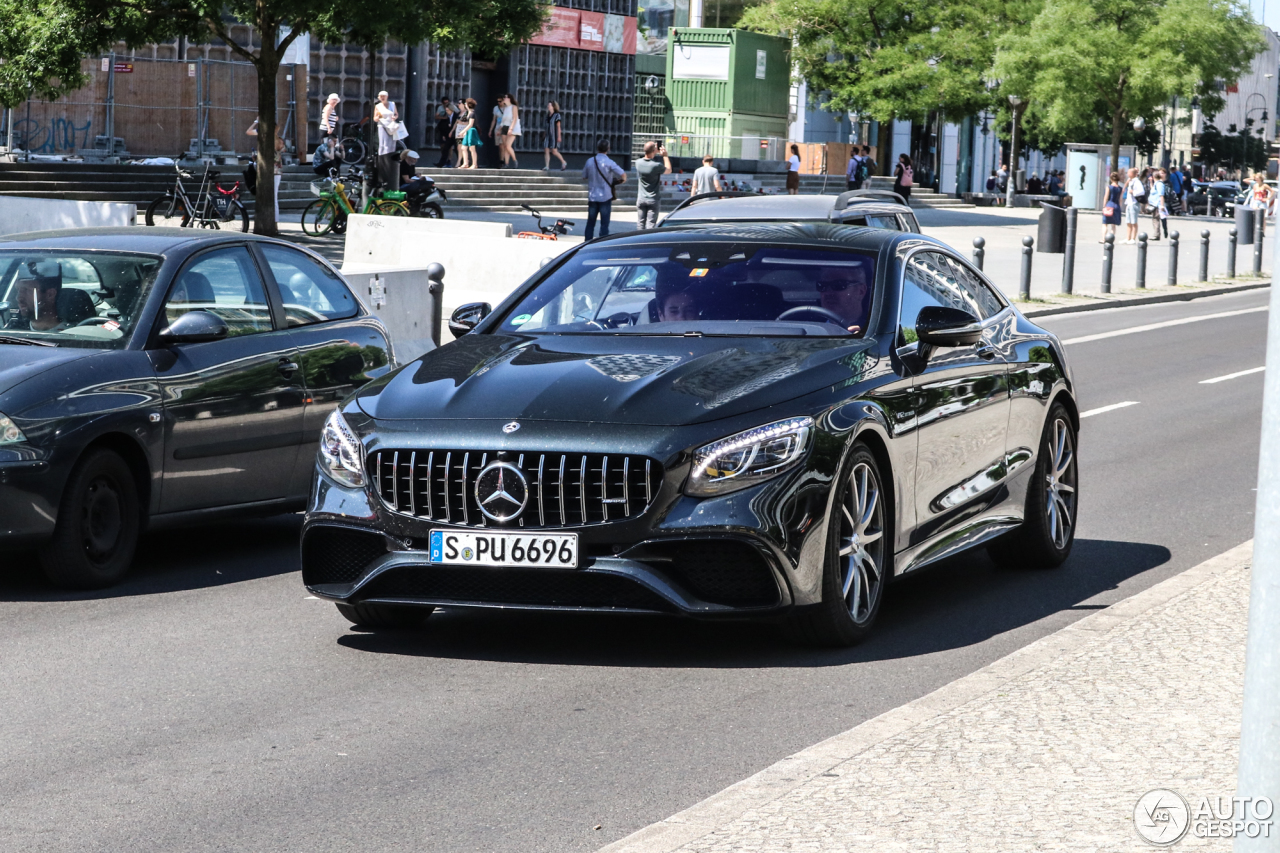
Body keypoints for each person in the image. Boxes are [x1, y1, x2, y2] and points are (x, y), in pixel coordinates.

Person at [582, 138, 625, 240]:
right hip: (605, 197)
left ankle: (587, 243)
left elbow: (584, 176)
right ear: (608, 149)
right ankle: (602, 243)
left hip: (593, 196)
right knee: (604, 224)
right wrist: (618, 181)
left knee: (590, 223)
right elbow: (623, 175)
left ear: (597, 148)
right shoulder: (610, 162)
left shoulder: (589, 161)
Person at [6, 262, 65, 331]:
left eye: (26, 290)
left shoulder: (74, 333)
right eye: (18, 290)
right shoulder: (11, 332)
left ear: (50, 294)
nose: (19, 298)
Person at [245, 119, 285, 221]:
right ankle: (271, 220)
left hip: (272, 171)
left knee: (273, 197)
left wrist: (256, 121)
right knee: (270, 196)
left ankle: (274, 221)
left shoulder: (275, 140)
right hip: (270, 171)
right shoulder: (274, 138)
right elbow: (249, 132)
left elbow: (275, 152)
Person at [816, 263, 870, 334]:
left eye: (839, 285)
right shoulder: (809, 327)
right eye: (822, 286)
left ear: (861, 291)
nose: (828, 293)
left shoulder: (874, 329)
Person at [635, 141, 673, 230]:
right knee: (651, 225)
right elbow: (669, 170)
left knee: (640, 223)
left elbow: (648, 156)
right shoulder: (656, 165)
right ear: (654, 150)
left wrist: (654, 150)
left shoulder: (638, 163)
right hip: (653, 198)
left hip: (641, 198)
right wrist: (665, 156)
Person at [373, 90, 401, 189]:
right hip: (382, 126)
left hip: (391, 126)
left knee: (391, 144)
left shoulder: (392, 104)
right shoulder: (378, 106)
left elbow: (396, 114)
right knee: (383, 144)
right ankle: (382, 160)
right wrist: (378, 117)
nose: (382, 98)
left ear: (387, 96)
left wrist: (394, 117)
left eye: (384, 96)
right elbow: (375, 119)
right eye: (380, 96)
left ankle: (390, 158)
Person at [433, 97, 458, 168]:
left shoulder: (456, 116)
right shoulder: (447, 117)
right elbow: (445, 127)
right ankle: (441, 163)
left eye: (448, 110)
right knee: (445, 148)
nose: (446, 112)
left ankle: (463, 162)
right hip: (449, 135)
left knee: (457, 149)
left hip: (455, 135)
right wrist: (444, 135)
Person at [543, 102, 567, 171]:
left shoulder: (557, 115)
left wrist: (559, 136)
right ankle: (547, 166)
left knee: (554, 151)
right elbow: (546, 126)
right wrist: (544, 134)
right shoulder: (548, 116)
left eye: (549, 105)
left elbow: (558, 126)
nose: (548, 106)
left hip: (554, 135)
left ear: (553, 106)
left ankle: (563, 162)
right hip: (548, 135)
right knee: (546, 150)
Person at [458, 98, 481, 169]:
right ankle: (465, 163)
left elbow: (470, 124)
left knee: (472, 148)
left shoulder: (472, 113)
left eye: (466, 103)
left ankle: (474, 164)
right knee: (463, 147)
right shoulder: (469, 113)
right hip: (468, 131)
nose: (465, 104)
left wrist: (463, 131)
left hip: (472, 131)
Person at [1123, 167, 1143, 244]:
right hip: (1129, 203)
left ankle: (1133, 238)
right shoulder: (1130, 181)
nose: (1127, 174)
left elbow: (1141, 191)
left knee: (1134, 221)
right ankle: (1128, 238)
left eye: (1129, 172)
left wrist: (1133, 192)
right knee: (1128, 221)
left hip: (1134, 203)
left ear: (1134, 174)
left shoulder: (1137, 182)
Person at [1101, 171, 1122, 243]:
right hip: (1116, 206)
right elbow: (1120, 199)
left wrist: (1104, 206)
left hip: (1109, 205)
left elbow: (1106, 197)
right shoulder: (1120, 188)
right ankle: (1111, 240)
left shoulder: (1109, 187)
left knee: (1105, 224)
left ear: (1111, 179)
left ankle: (1104, 239)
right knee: (1113, 225)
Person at [502, 95, 522, 169]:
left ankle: (514, 160)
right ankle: (506, 163)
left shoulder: (513, 107)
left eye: (505, 97)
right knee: (505, 147)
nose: (504, 99)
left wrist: (511, 129)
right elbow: (503, 119)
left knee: (508, 145)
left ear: (509, 99)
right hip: (504, 126)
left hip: (511, 127)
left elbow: (515, 118)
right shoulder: (505, 108)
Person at [1149, 169, 1168, 240]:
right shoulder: (1156, 184)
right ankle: (1157, 234)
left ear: (1154, 177)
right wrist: (1151, 182)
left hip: (1158, 205)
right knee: (1155, 219)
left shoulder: (1160, 184)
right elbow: (1153, 190)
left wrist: (1162, 205)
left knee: (1156, 219)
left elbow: (1161, 195)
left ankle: (1157, 235)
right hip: (1154, 204)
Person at [489, 97, 507, 167]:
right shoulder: (496, 108)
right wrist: (491, 130)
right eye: (498, 101)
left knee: (502, 145)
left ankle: (502, 161)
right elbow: (494, 120)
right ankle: (501, 160)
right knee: (499, 146)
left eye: (500, 101)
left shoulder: (507, 108)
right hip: (497, 127)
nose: (499, 103)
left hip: (504, 128)